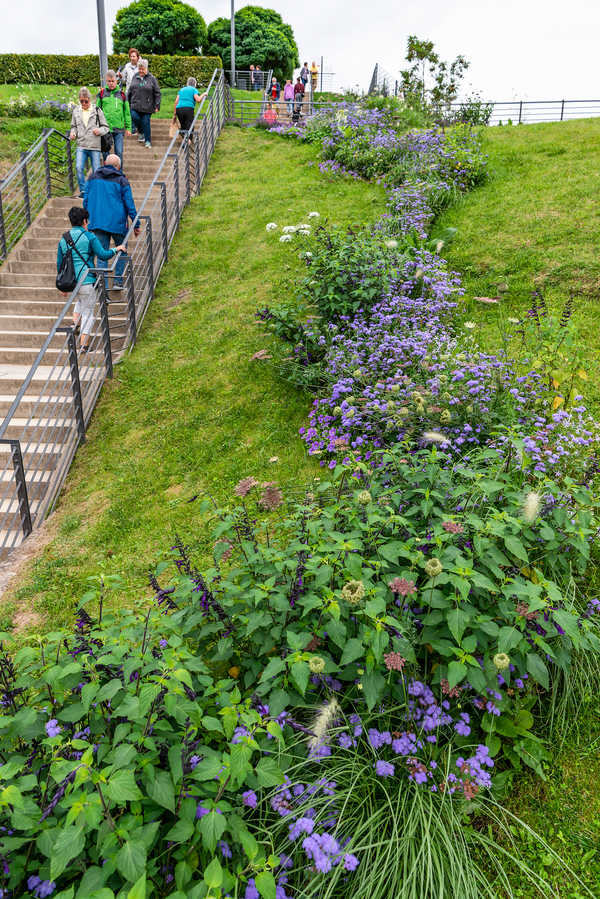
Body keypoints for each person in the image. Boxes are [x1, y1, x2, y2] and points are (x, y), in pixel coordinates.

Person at [56, 206, 126, 351]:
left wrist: (61, 287)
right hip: (87, 280)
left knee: (80, 301)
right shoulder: (89, 236)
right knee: (88, 313)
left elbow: (59, 264)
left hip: (71, 283)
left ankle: (75, 323)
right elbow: (103, 254)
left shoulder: (64, 239)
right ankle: (83, 345)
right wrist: (116, 249)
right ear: (84, 221)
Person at [83, 153, 139, 291]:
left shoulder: (92, 177)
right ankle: (117, 282)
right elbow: (129, 203)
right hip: (118, 223)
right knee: (121, 251)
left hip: (97, 222)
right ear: (117, 166)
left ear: (105, 163)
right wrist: (136, 224)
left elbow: (86, 200)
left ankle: (102, 285)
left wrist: (86, 220)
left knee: (102, 254)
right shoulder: (121, 180)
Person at [70, 87, 109, 198]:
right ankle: (83, 191)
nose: (83, 103)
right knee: (78, 167)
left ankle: (96, 191)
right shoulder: (76, 111)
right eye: (81, 101)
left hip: (94, 146)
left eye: (85, 101)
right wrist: (73, 133)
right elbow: (73, 126)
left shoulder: (97, 110)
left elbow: (106, 127)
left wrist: (99, 130)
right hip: (81, 145)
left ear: (90, 99)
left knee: (96, 170)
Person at [96, 70, 132, 163]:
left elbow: (127, 113)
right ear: (106, 81)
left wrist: (128, 127)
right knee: (105, 152)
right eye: (109, 81)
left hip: (119, 129)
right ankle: (107, 172)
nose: (111, 83)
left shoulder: (122, 95)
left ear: (116, 81)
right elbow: (97, 111)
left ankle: (118, 174)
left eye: (113, 81)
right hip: (105, 128)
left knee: (119, 152)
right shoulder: (101, 93)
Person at [127, 58, 161, 148]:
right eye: (139, 68)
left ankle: (148, 141)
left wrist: (157, 105)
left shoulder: (152, 78)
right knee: (134, 117)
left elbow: (157, 92)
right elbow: (130, 90)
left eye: (143, 69)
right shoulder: (135, 77)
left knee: (146, 122)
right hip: (135, 105)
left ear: (146, 68)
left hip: (148, 106)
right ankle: (141, 131)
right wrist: (127, 101)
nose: (141, 71)